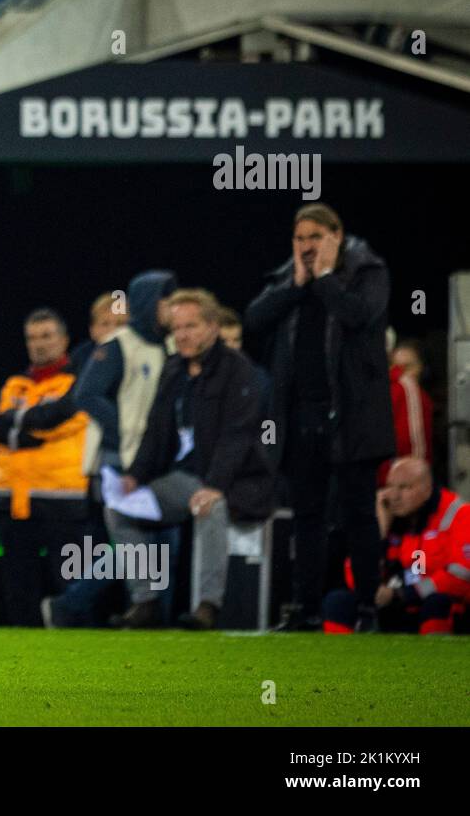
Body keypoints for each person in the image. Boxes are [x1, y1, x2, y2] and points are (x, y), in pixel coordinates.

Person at [245, 204, 394, 632]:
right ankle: (306, 610)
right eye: (299, 238)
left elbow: (358, 316)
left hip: (351, 419)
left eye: (315, 236)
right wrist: (296, 285)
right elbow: (255, 319)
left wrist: (326, 279)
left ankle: (368, 609)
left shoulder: (368, 272)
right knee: (306, 518)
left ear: (337, 235)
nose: (307, 245)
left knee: (358, 516)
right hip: (299, 419)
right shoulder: (288, 279)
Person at [112, 289, 275, 629]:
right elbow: (155, 432)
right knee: (118, 508)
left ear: (213, 327)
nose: (182, 335)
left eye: (191, 326)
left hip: (236, 480)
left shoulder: (238, 371)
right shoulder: (173, 370)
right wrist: (134, 477)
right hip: (184, 478)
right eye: (177, 328)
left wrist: (215, 485)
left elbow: (238, 435)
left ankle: (207, 606)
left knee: (210, 506)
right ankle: (146, 601)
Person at [0, 308, 89, 626]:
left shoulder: (79, 382)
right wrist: (29, 427)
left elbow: (59, 424)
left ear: (65, 340)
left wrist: (16, 427)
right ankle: (21, 664)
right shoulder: (14, 384)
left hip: (63, 499)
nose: (39, 344)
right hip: (14, 501)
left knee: (70, 584)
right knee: (19, 591)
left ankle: (82, 660)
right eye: (32, 338)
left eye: (47, 336)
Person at [323, 458, 469, 635]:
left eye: (404, 487)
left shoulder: (459, 514)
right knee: (338, 601)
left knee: (438, 603)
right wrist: (379, 532)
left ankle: (434, 657)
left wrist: (403, 594)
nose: (394, 496)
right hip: (393, 602)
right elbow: (354, 579)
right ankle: (342, 660)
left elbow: (461, 577)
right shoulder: (384, 514)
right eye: (390, 486)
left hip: (432, 603)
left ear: (427, 489)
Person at [74, 269, 176, 477]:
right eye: (165, 301)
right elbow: (86, 395)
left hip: (162, 456)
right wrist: (126, 429)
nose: (172, 308)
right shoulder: (118, 344)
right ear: (149, 302)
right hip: (118, 456)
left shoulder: (173, 344)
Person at [381, 338, 433, 485]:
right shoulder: (404, 389)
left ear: (424, 368)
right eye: (396, 367)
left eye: (408, 367)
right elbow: (415, 451)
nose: (401, 373)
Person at [68, 290, 128, 374]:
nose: (113, 330)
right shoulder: (78, 358)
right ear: (92, 330)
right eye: (105, 324)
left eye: (120, 324)